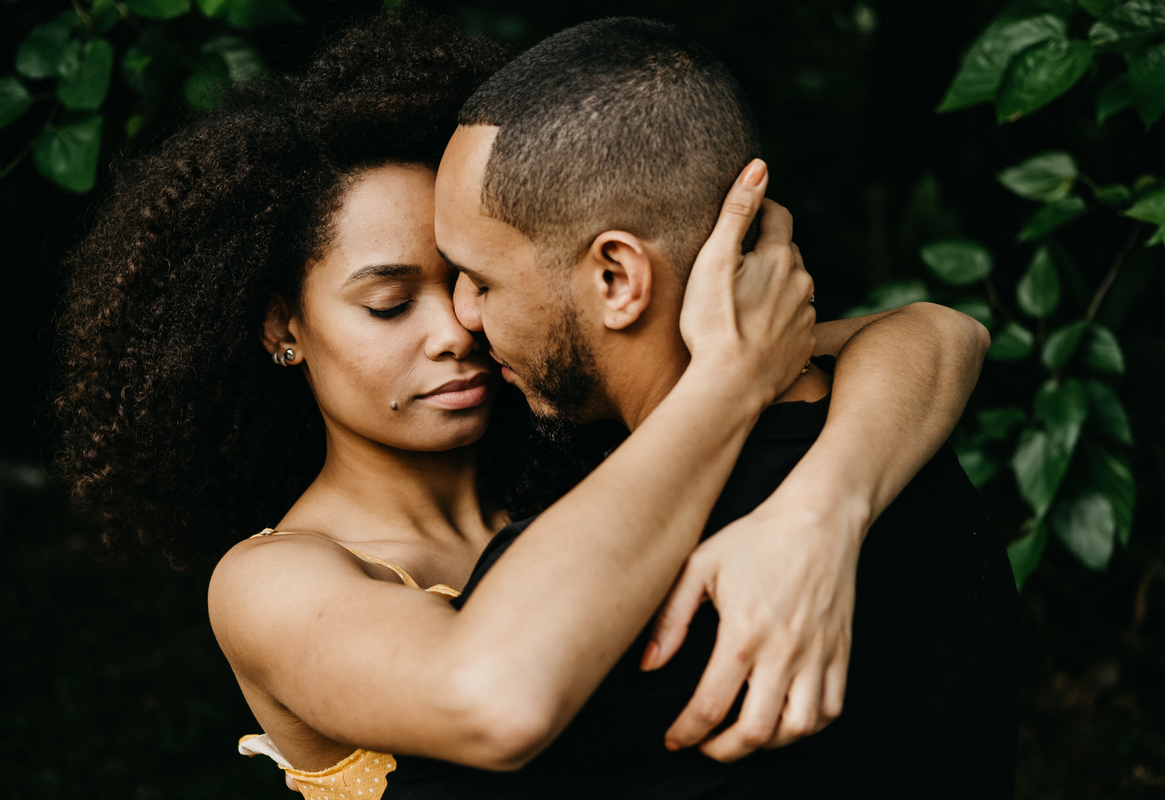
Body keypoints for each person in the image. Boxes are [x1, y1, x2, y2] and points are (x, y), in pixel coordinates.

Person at [52, 12, 994, 800]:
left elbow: (935, 332)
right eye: (390, 302)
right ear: (279, 329)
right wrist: (725, 383)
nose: (457, 326)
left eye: (472, 279)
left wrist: (820, 510)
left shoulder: (577, 431)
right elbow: (490, 691)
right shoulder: (275, 581)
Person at [413, 15, 1019, 799]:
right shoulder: (912, 458)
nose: (460, 313)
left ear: (616, 279)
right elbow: (944, 327)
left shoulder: (594, 606)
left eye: (480, 279)